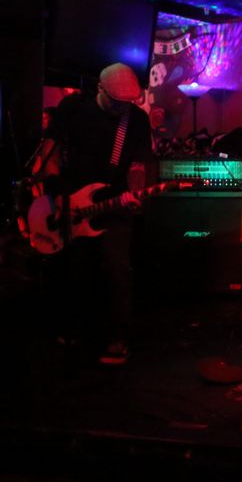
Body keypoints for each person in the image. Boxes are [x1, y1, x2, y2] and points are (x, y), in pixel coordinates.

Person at [38, 63, 152, 365]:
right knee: (74, 267)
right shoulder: (73, 108)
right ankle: (73, 328)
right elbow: (50, 151)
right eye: (116, 101)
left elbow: (138, 165)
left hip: (113, 203)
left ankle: (118, 337)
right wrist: (56, 193)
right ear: (100, 89)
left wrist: (135, 193)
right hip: (69, 201)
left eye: (127, 103)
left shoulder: (136, 120)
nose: (122, 108)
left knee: (117, 267)